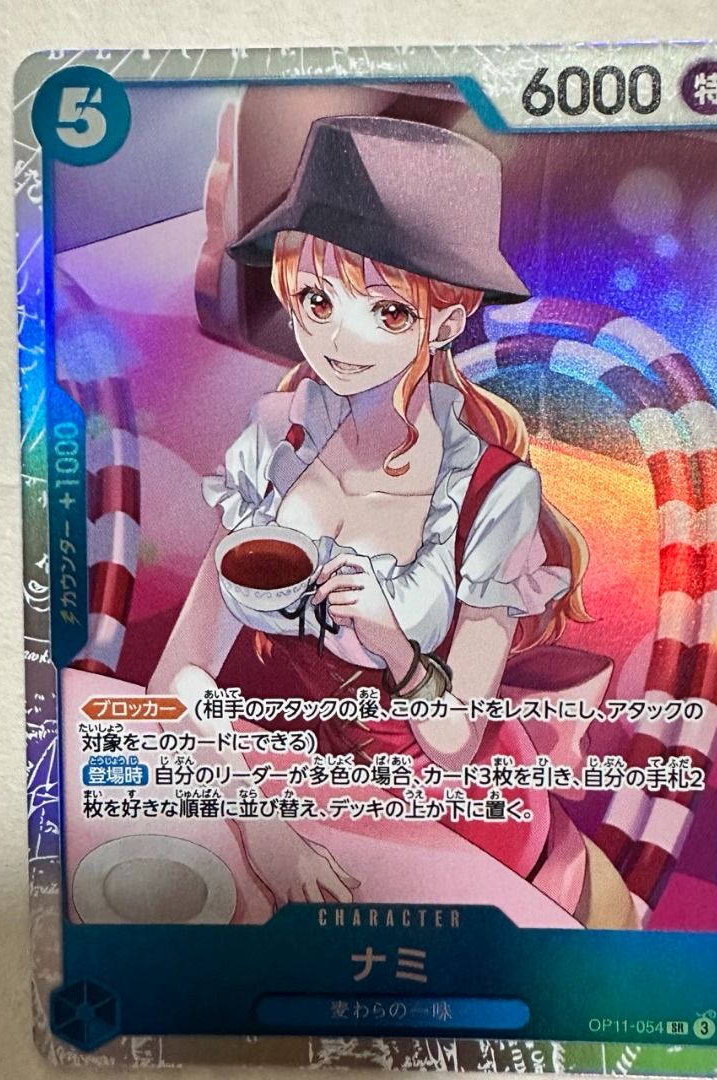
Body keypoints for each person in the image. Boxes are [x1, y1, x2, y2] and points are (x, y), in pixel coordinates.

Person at [152, 116, 632, 926]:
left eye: (386, 311)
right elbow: (179, 674)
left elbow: (453, 746)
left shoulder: (492, 492)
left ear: (446, 320)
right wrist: (262, 821)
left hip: (462, 829)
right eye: (316, 299)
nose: (338, 337)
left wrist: (399, 650)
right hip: (298, 795)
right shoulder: (277, 440)